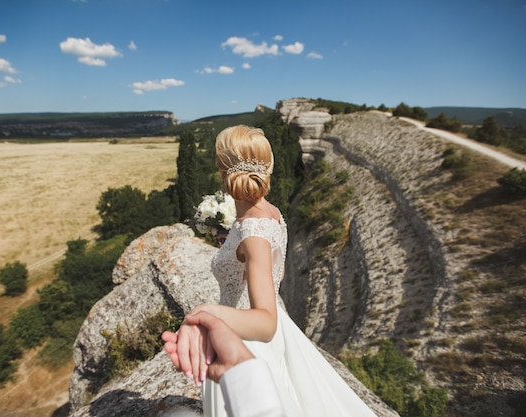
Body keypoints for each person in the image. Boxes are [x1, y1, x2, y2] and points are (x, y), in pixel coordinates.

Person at [172, 125, 378, 417]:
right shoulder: (272, 214)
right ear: (267, 167)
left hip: (245, 344)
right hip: (267, 332)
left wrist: (207, 312)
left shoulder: (252, 231)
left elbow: (266, 323)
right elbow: (275, 277)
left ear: (222, 172)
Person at [162, 311, 302, 417]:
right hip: (231, 331)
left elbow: (268, 325)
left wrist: (209, 312)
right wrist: (235, 366)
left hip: (246, 333)